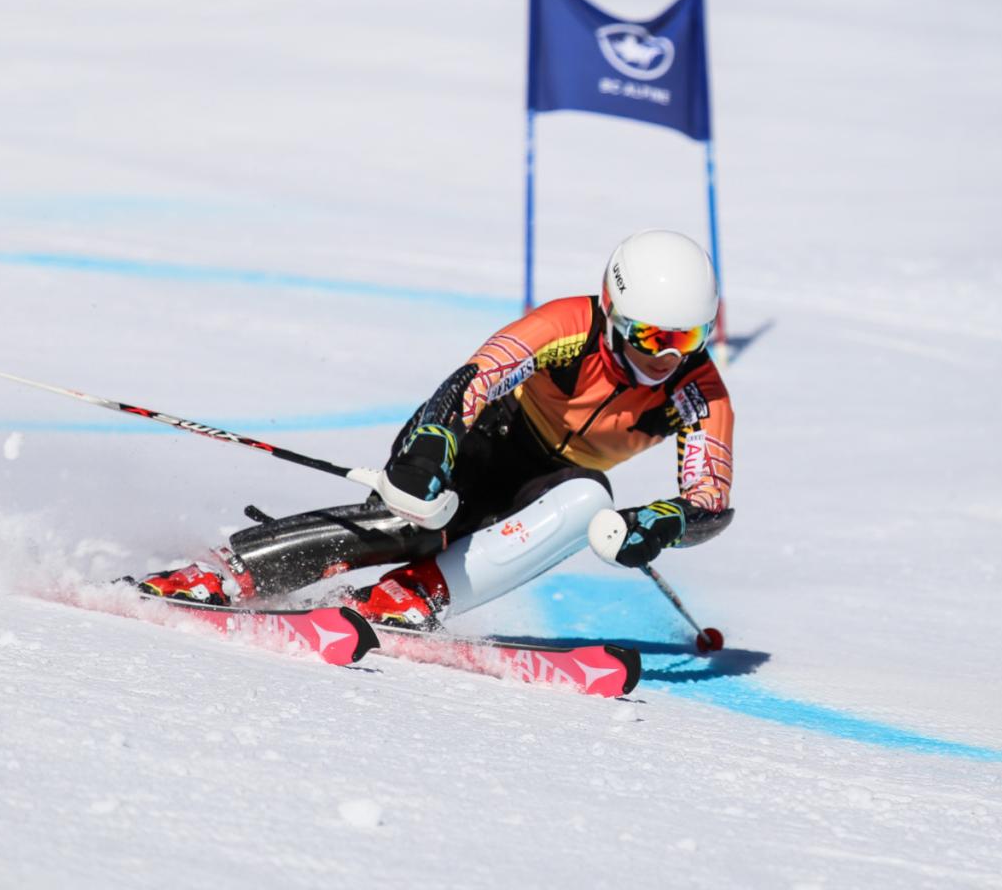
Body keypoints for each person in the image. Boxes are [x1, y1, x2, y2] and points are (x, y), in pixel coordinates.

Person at [131, 230, 734, 630]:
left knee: (589, 503)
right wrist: (428, 450)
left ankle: (414, 598)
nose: (667, 356)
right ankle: (230, 571)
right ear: (611, 309)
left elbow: (711, 502)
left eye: (688, 338)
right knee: (415, 522)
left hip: (553, 481)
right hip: (487, 438)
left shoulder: (698, 394)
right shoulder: (567, 326)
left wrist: (659, 524)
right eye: (651, 335)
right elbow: (474, 382)